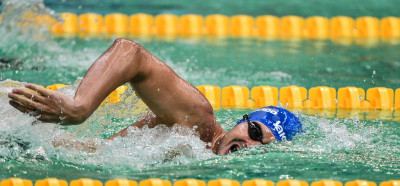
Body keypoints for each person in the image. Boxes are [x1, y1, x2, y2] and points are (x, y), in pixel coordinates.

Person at [7, 38, 303, 156]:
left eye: (261, 147)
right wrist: (79, 108)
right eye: (253, 131)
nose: (249, 144)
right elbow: (131, 53)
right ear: (243, 121)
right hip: (18, 125)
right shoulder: (198, 120)